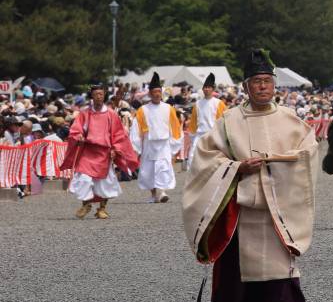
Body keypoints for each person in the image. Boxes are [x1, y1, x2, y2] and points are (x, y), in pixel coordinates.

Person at [182, 49, 319, 302]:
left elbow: (309, 152)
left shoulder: (290, 118)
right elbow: (205, 158)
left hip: (278, 207)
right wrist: (236, 167)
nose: (262, 87)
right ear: (245, 86)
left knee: (279, 266)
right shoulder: (230, 121)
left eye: (267, 81)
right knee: (242, 269)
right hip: (242, 207)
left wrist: (284, 162)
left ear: (275, 86)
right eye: (256, 82)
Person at [60, 83, 139, 219]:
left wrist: (116, 148)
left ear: (104, 96)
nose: (98, 97)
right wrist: (78, 135)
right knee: (84, 179)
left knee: (104, 182)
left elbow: (118, 134)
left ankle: (102, 208)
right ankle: (86, 204)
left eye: (101, 94)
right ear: (92, 96)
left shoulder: (110, 114)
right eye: (96, 94)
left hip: (104, 153)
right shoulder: (85, 113)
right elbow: (76, 129)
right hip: (88, 151)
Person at [130, 73, 183, 203]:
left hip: (164, 143)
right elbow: (136, 129)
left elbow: (175, 127)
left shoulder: (169, 109)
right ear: (150, 93)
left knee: (163, 167)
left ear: (162, 93)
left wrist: (174, 144)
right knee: (149, 169)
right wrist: (136, 147)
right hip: (149, 143)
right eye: (154, 92)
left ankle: (162, 192)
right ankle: (153, 194)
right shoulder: (143, 110)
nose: (157, 94)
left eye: (159, 91)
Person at [188, 73, 226, 155]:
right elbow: (193, 122)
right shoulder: (197, 104)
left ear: (213, 89)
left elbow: (223, 121)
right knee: (193, 156)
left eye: (209, 87)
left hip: (213, 135)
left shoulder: (219, 103)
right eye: (205, 87)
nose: (206, 89)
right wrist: (192, 135)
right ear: (202, 89)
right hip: (200, 135)